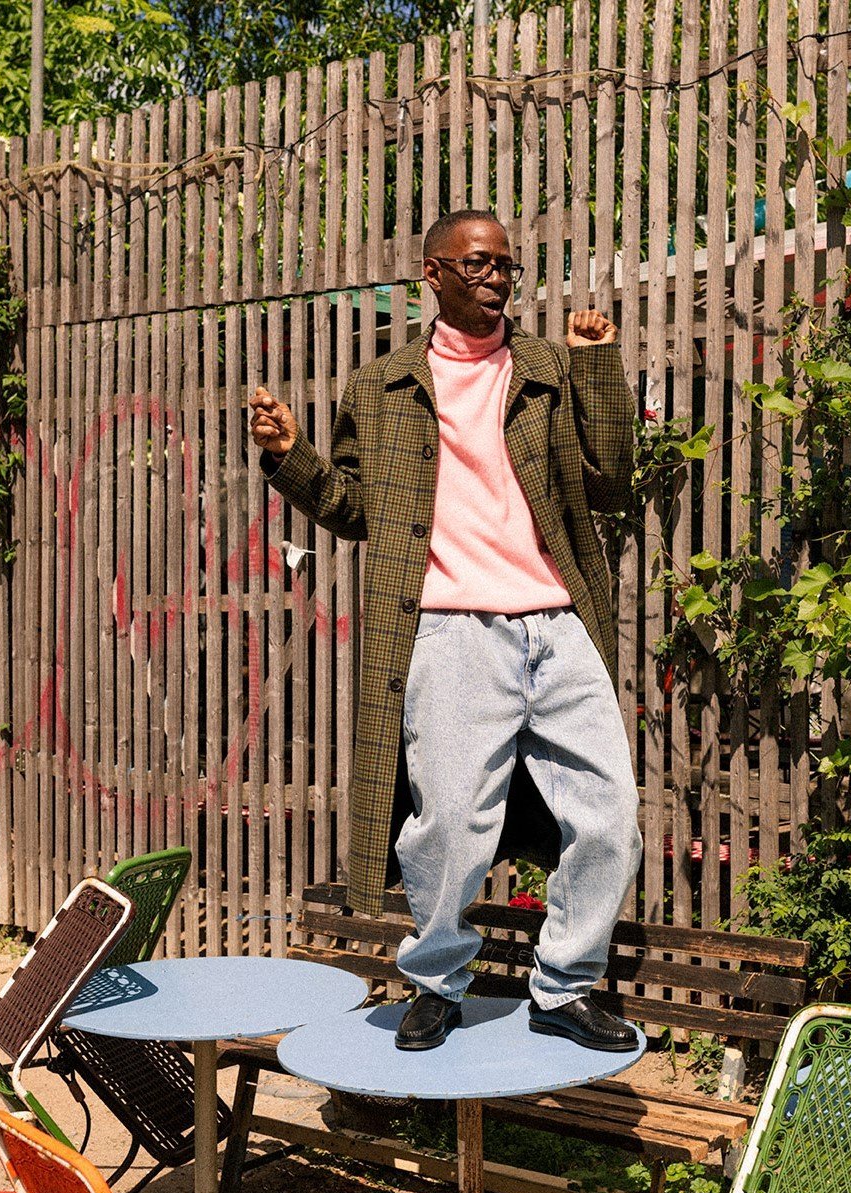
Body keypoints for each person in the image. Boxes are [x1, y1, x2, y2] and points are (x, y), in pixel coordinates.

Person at [250, 209, 642, 1051]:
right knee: (449, 826)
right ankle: (434, 981)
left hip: (557, 623)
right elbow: (354, 508)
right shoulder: (381, 387)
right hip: (449, 630)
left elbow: (611, 481)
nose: (495, 277)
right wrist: (291, 457)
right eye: (476, 264)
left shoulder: (547, 367)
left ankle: (564, 987)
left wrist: (598, 366)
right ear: (432, 273)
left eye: (505, 264)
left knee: (610, 817)